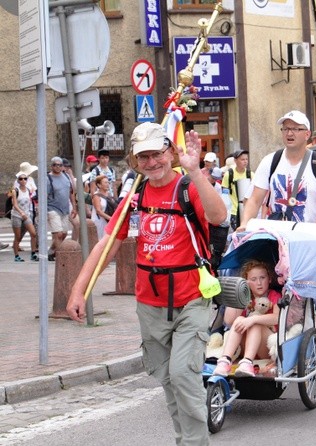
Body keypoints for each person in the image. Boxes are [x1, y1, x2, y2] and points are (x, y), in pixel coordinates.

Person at [67, 122, 227, 445]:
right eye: (144, 157)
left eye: (157, 154)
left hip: (191, 299)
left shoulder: (188, 187)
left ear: (171, 152)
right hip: (150, 305)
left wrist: (196, 171)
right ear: (135, 160)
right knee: (169, 380)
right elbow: (107, 243)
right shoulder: (135, 197)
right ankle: (185, 440)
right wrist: (79, 289)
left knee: (184, 374)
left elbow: (218, 215)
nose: (152, 163)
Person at [239, 110, 316, 227]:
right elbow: (255, 200)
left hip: (309, 239)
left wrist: (313, 235)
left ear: (307, 134)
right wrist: (245, 223)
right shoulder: (270, 161)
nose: (289, 133)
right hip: (276, 238)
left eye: (296, 129)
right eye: (285, 129)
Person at [212, 260, 281, 378]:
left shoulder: (274, 295)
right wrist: (238, 294)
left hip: (265, 347)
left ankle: (247, 362)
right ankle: (224, 360)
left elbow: (276, 318)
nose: (259, 283)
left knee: (255, 321)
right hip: (245, 345)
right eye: (253, 279)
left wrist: (253, 319)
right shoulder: (245, 297)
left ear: (269, 279)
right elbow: (229, 321)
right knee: (239, 319)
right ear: (247, 282)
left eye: (262, 278)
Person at [46, 156, 76, 261]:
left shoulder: (66, 176)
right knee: (58, 234)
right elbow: (44, 196)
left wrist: (74, 207)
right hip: (52, 208)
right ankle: (61, 257)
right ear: (51, 166)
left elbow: (71, 193)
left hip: (65, 208)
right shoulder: (48, 178)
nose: (58, 167)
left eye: (60, 165)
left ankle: (51, 251)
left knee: (64, 233)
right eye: (55, 165)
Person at [221, 149, 254, 229]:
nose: (245, 161)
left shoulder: (250, 174)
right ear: (235, 160)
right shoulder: (229, 174)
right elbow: (224, 193)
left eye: (246, 159)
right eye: (242, 159)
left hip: (247, 211)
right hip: (234, 211)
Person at [10, 171, 38, 262]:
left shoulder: (28, 190)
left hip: (26, 214)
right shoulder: (15, 190)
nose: (23, 180)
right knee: (18, 236)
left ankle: (33, 253)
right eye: (21, 179)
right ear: (18, 180)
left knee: (33, 233)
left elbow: (29, 202)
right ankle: (16, 255)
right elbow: (14, 204)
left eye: (25, 179)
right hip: (16, 215)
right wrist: (21, 213)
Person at [91, 175, 114, 240]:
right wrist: (111, 218)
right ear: (99, 185)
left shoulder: (109, 195)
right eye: (105, 183)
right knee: (101, 239)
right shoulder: (96, 196)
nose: (107, 184)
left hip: (108, 221)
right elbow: (99, 211)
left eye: (108, 182)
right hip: (100, 221)